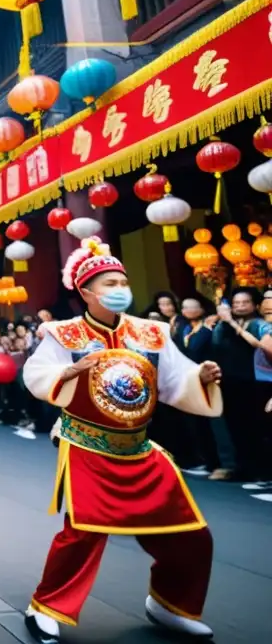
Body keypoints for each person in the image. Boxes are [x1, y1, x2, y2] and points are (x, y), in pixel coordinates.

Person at [22, 237, 223, 643]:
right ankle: (46, 606)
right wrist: (71, 372)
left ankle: (171, 604)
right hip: (87, 445)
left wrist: (198, 378)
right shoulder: (63, 334)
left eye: (122, 281)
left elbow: (172, 380)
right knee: (83, 532)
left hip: (139, 448)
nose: (119, 289)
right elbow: (38, 374)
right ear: (86, 292)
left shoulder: (150, 332)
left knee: (190, 533)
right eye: (109, 283)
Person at [210, 287, 272, 486]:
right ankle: (243, 468)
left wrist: (230, 322)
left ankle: (262, 471)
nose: (240, 306)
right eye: (236, 303)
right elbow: (216, 344)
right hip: (230, 382)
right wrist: (222, 322)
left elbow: (259, 345)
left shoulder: (260, 324)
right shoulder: (223, 325)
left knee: (257, 427)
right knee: (235, 427)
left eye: (244, 302)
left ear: (255, 305)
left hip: (255, 383)